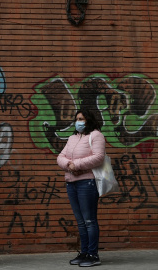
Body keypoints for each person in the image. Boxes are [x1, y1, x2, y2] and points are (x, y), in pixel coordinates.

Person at [57, 109, 105, 267]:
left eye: (82, 119)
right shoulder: (72, 138)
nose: (78, 122)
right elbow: (60, 156)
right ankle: (84, 252)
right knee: (81, 222)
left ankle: (93, 254)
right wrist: (68, 166)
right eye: (77, 119)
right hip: (71, 182)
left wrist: (76, 164)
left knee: (90, 220)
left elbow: (98, 157)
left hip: (87, 182)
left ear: (89, 120)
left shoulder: (96, 135)